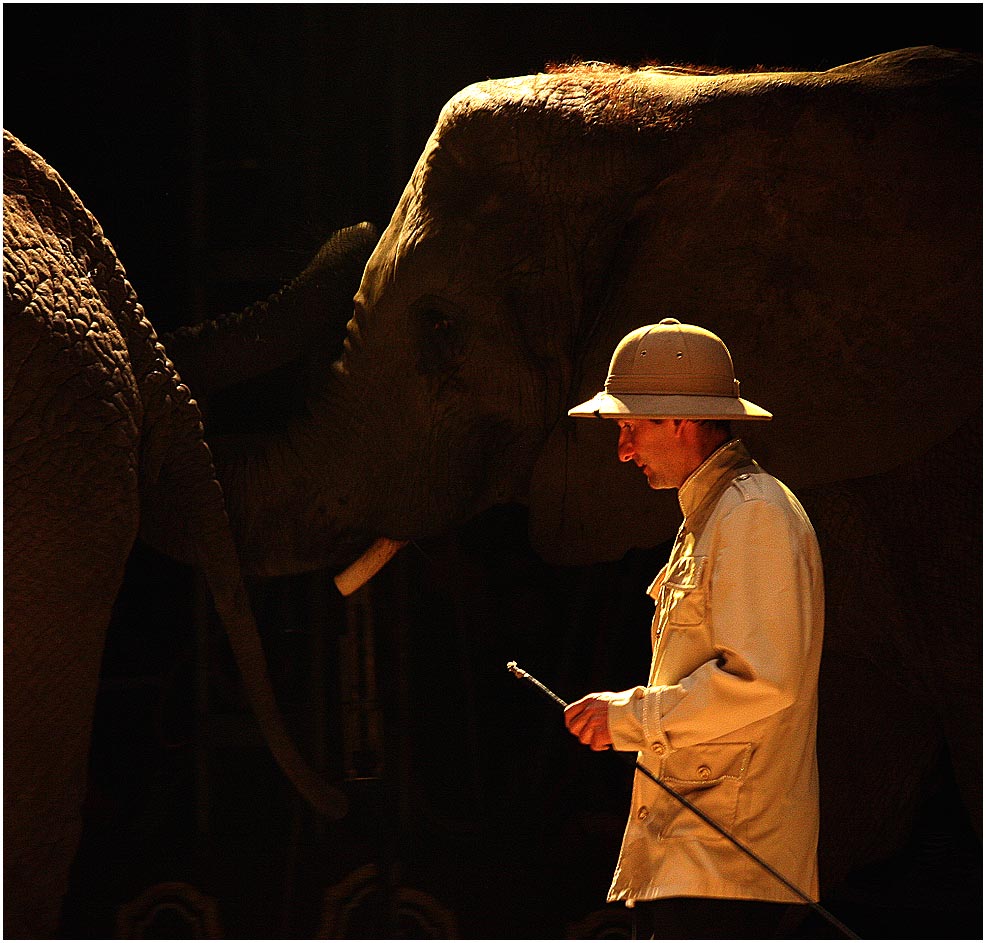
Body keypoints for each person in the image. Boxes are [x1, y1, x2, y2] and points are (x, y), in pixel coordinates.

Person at [564, 318, 824, 940]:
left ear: (680, 420)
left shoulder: (752, 513)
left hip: (730, 871)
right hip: (697, 864)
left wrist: (627, 718)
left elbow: (765, 684)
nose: (623, 449)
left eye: (631, 427)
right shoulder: (713, 516)